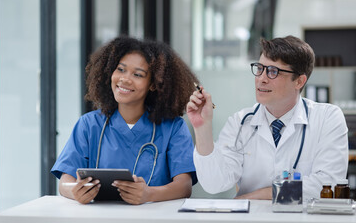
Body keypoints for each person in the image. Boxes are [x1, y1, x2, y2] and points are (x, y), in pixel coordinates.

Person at [187, 35, 348, 201]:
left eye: (273, 72)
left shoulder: (327, 119)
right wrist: (202, 128)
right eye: (259, 68)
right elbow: (214, 183)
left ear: (299, 81)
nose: (261, 79)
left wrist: (255, 196)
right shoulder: (241, 122)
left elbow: (329, 185)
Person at [51, 36, 198, 205]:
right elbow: (64, 182)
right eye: (120, 70)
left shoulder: (173, 127)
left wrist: (149, 194)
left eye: (137, 74)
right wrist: (75, 191)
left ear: (152, 84)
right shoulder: (89, 125)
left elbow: (184, 186)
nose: (125, 79)